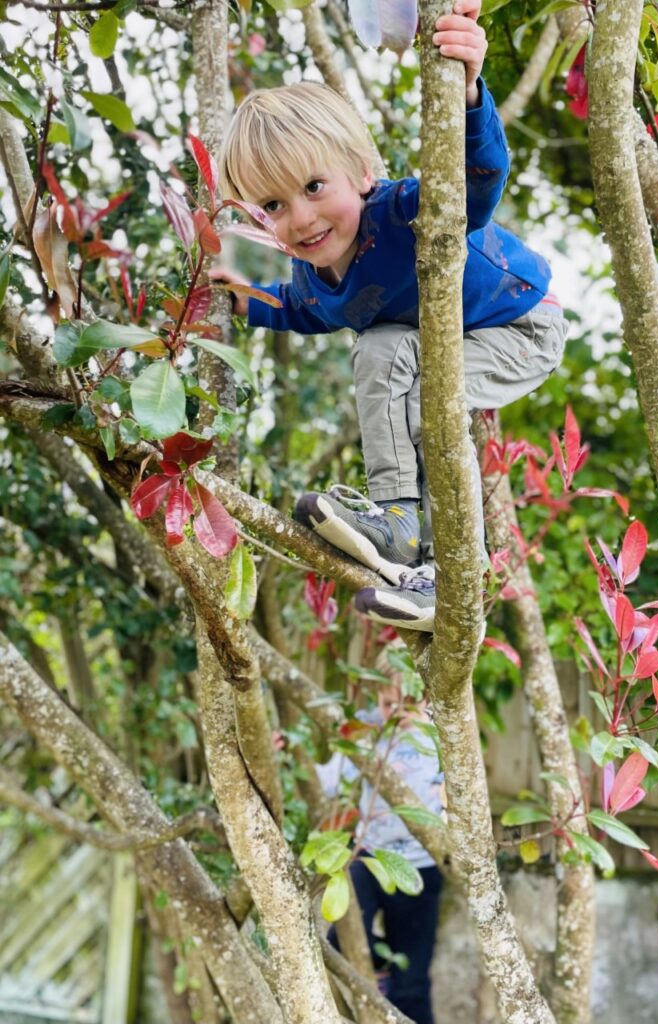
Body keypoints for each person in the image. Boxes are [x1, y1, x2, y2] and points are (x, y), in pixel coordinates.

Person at [215, 0, 567, 632]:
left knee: (428, 395)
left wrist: (466, 94)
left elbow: (477, 185)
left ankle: (456, 575)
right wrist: (243, 301)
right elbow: (300, 308)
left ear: (362, 175)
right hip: (445, 341)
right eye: (273, 204)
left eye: (314, 187)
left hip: (521, 325)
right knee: (377, 349)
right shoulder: (315, 277)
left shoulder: (404, 211)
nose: (299, 217)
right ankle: (401, 528)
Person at [317, 644, 445, 1024]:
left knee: (414, 984)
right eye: (387, 704)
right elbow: (328, 782)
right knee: (342, 939)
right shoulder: (367, 729)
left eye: (405, 705)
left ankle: (397, 982)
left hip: (422, 867)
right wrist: (289, 749)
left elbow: (457, 797)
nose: (394, 715)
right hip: (369, 857)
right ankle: (380, 970)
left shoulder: (441, 734)